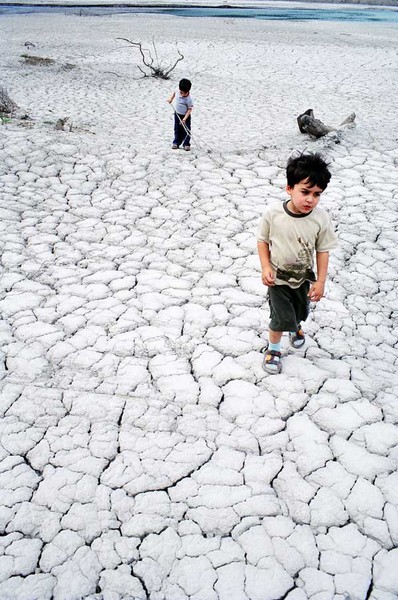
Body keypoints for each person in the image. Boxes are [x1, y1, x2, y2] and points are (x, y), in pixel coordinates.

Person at [257, 151, 337, 374]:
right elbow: (262, 240)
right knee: (279, 318)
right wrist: (265, 266)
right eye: (305, 192)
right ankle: (273, 349)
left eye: (317, 194)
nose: (310, 199)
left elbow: (322, 251)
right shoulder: (273, 214)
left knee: (300, 312)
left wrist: (320, 281)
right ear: (289, 188)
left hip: (303, 277)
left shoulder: (320, 218)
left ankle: (295, 327)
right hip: (278, 279)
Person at [167, 78, 193, 151]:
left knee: (186, 130)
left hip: (185, 116)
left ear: (188, 91)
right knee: (177, 129)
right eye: (181, 92)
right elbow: (174, 93)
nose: (182, 94)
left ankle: (186, 144)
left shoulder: (189, 99)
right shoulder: (178, 90)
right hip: (177, 114)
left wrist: (184, 119)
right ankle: (176, 143)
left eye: (184, 93)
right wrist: (171, 99)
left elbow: (189, 109)